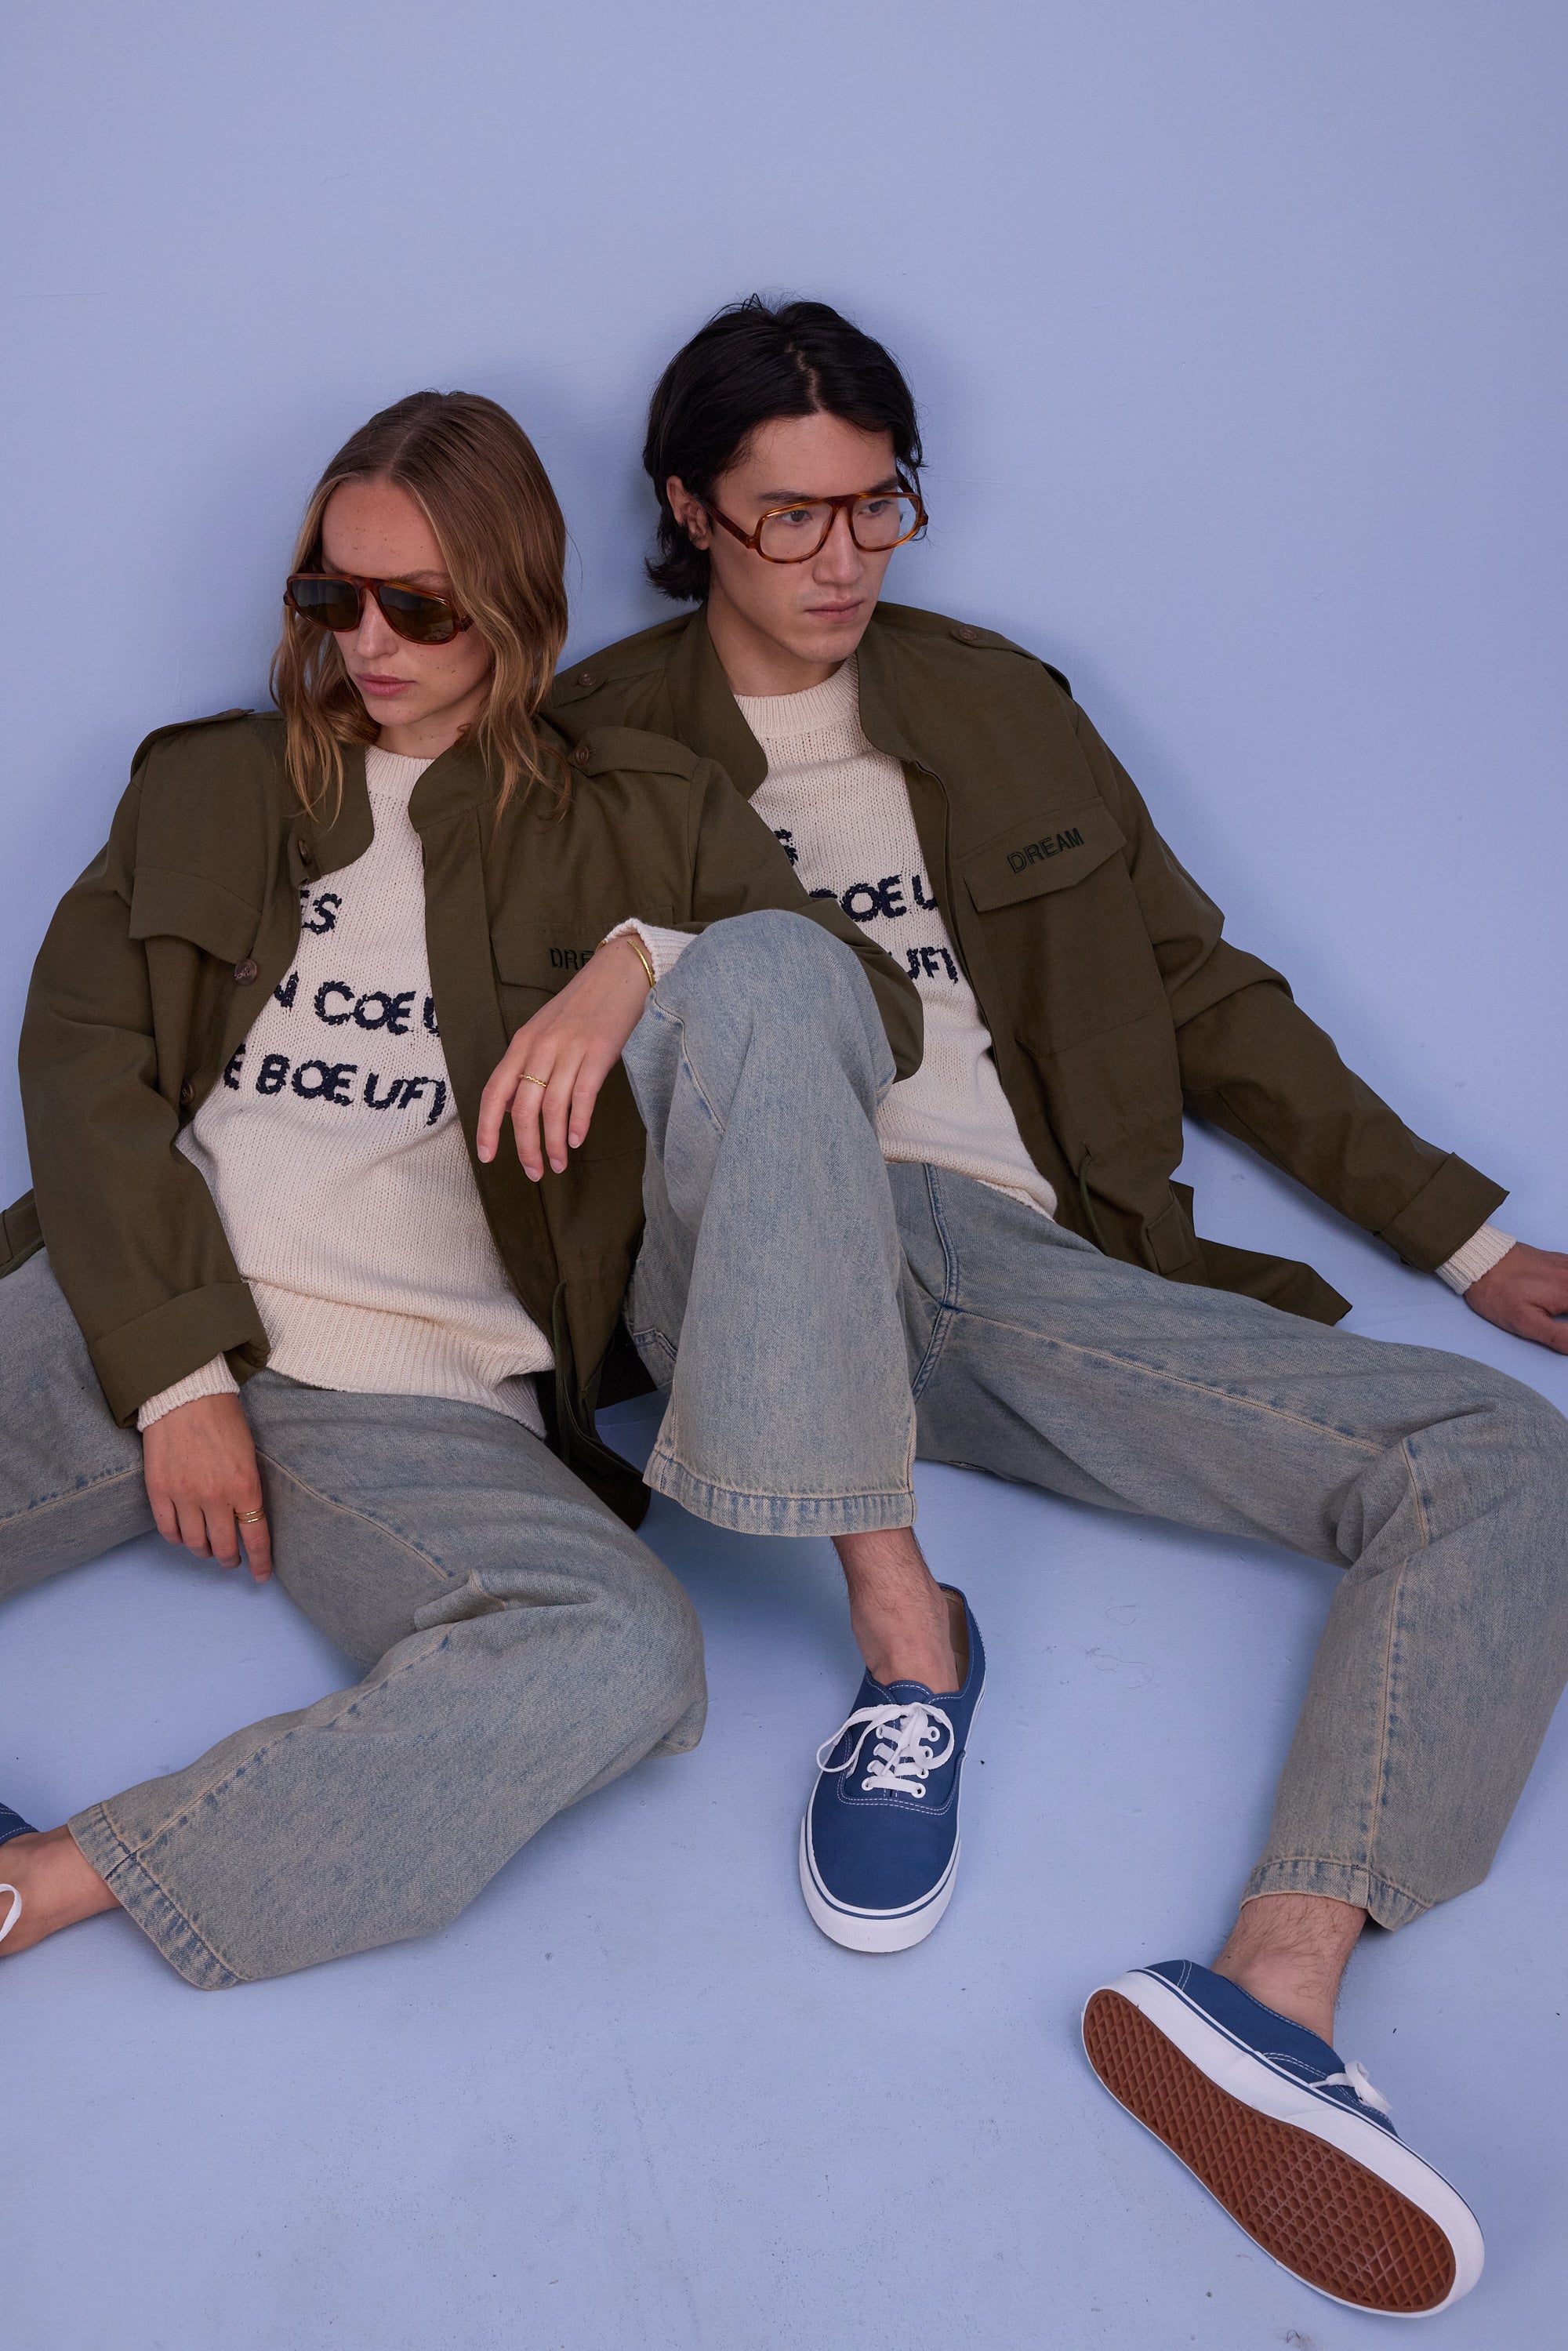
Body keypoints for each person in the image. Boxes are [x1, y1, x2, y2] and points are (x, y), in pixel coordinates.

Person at [546, 299, 1568, 2316]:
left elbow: (1193, 986)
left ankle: (1270, 1994)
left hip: (1008, 1266)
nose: (842, 557)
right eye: (788, 516)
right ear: (685, 510)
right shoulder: (585, 743)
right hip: (753, 1251)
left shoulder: (996, 698)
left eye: (876, 507)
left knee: (1494, 1453)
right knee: (769, 995)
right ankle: (918, 1659)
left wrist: (1459, 1240)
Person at [0, 386, 921, 1989]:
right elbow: (84, 1068)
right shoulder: (207, 783)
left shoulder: (644, 812)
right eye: (331, 596)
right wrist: (178, 1380)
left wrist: (642, 961)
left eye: (418, 607)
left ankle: (58, 1880)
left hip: (414, 1401)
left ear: (515, 600)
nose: (367, 642)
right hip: (143, 1303)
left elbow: (861, 1008)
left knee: (623, 1652)